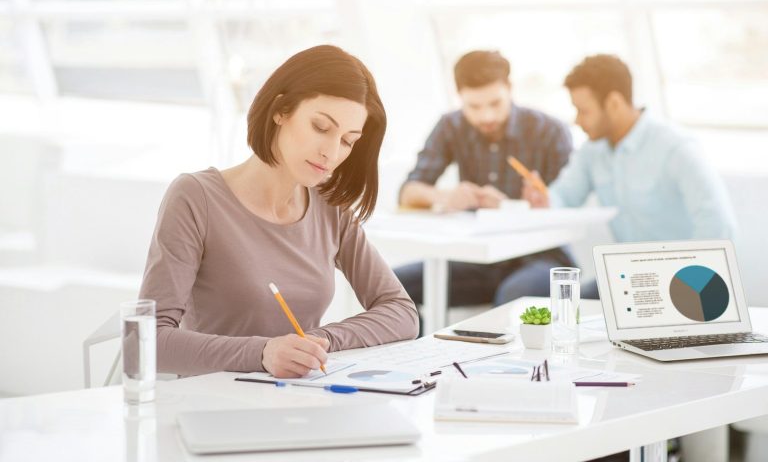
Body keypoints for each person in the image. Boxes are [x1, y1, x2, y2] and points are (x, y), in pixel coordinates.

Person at [139, 45, 418, 379]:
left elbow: (401, 312)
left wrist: (320, 340)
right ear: (281, 110)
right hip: (213, 405)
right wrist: (262, 353)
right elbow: (145, 342)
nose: (331, 152)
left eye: (348, 140)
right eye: (320, 127)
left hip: (300, 398)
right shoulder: (195, 197)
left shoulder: (331, 208)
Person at [395, 50, 577, 320]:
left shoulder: (549, 130)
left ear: (510, 89)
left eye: (495, 103)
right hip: (478, 259)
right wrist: (445, 196)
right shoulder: (451, 126)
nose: (486, 116)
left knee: (513, 299)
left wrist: (510, 207)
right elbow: (408, 191)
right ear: (459, 97)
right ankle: (417, 361)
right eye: (474, 107)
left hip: (541, 258)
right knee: (393, 290)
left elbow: (569, 209)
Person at [523, 53, 737, 244]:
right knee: (566, 290)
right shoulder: (592, 151)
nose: (577, 121)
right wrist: (544, 199)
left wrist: (692, 281)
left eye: (583, 111)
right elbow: (565, 196)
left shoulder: (676, 148)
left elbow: (719, 226)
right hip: (628, 275)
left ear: (614, 103)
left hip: (679, 278)